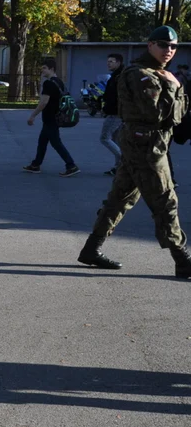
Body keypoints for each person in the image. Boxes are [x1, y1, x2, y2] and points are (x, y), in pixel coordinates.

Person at [78, 25, 191, 277]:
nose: (169, 50)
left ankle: (91, 249)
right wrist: (174, 88)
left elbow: (179, 116)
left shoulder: (160, 73)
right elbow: (157, 114)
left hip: (150, 142)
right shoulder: (139, 74)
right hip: (146, 144)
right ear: (150, 45)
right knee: (165, 200)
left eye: (173, 46)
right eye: (163, 45)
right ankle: (183, 259)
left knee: (121, 197)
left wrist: (173, 89)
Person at [22, 57, 80, 177]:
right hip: (56, 116)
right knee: (42, 141)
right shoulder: (59, 82)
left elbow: (43, 102)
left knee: (56, 143)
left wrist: (32, 116)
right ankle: (35, 165)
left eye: (44, 68)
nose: (42, 71)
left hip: (51, 118)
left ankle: (71, 165)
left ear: (51, 69)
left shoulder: (48, 83)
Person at [99, 53, 124, 175]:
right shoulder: (116, 75)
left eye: (111, 61)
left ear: (118, 62)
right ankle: (118, 167)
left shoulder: (119, 76)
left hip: (116, 112)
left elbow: (115, 96)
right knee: (116, 139)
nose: (108, 63)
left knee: (105, 138)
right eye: (108, 61)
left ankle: (125, 161)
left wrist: (108, 107)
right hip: (117, 111)